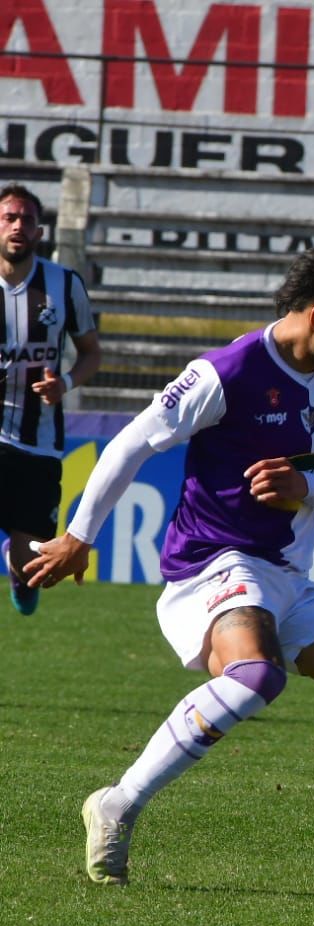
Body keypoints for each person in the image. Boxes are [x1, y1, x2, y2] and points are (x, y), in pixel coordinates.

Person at [26, 239, 314, 900]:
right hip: (212, 566)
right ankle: (118, 802)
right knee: (255, 675)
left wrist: (301, 490)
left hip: (283, 573)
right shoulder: (229, 371)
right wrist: (79, 536)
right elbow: (133, 442)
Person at [0, 182, 102, 616]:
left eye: (27, 219)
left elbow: (92, 354)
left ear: (40, 232)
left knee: (34, 568)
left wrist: (65, 382)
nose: (18, 226)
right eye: (9, 217)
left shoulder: (64, 284)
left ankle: (14, 564)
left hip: (37, 440)